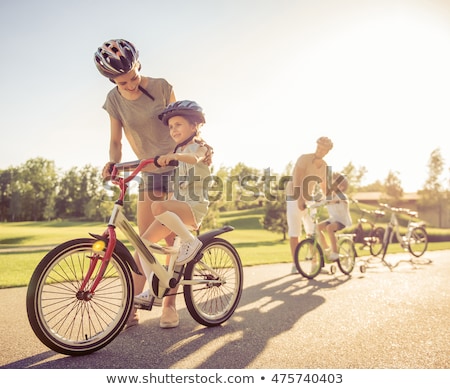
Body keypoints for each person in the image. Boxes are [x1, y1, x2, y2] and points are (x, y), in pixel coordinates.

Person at [94, 39, 177, 328]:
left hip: (177, 169)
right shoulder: (114, 100)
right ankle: (132, 306)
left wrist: (180, 154)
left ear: (138, 65)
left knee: (171, 241)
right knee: (143, 242)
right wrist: (112, 164)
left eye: (132, 77)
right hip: (148, 171)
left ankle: (169, 305)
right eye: (121, 82)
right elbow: (116, 141)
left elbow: (181, 123)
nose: (129, 85)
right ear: (111, 79)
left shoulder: (162, 86)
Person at [134, 100, 213, 328]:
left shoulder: (200, 147)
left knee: (158, 207)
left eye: (178, 124)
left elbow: (193, 159)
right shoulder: (178, 150)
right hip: (178, 205)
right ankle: (152, 290)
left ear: (194, 126)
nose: (173, 130)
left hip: (193, 207)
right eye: (170, 127)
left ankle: (191, 241)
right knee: (143, 244)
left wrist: (174, 157)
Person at [286, 137, 333, 272]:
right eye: (318, 147)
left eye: (323, 149)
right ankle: (295, 265)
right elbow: (297, 179)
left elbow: (324, 187)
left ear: (327, 151)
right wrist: (300, 198)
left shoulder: (324, 166)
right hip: (294, 196)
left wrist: (330, 199)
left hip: (309, 198)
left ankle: (315, 265)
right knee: (295, 231)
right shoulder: (304, 159)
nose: (319, 150)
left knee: (313, 232)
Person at [317, 172, 353, 261]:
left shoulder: (342, 195)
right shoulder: (329, 196)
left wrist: (331, 201)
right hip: (333, 219)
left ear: (341, 187)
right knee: (317, 227)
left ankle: (335, 253)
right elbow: (321, 201)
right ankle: (327, 248)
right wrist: (311, 205)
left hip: (342, 221)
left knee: (329, 228)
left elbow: (341, 200)